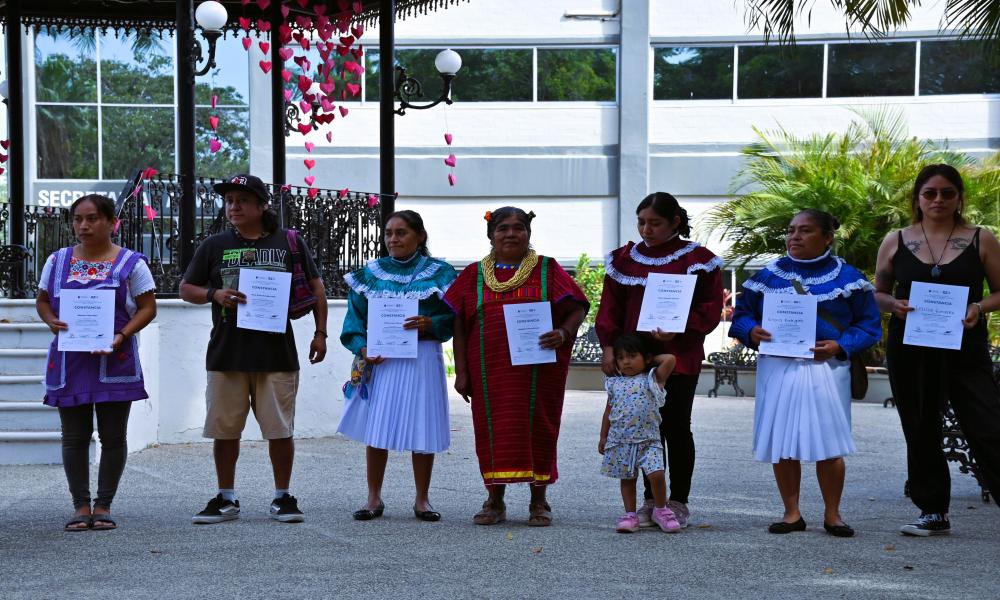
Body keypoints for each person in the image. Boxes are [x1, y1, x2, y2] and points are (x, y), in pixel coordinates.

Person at [179, 174, 328, 525]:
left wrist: (320, 334)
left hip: (276, 352)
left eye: (242, 200)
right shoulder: (214, 245)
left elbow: (317, 289)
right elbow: (186, 287)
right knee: (224, 429)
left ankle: (283, 496)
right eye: (229, 200)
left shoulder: (289, 242)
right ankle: (226, 497)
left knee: (280, 429)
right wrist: (212, 294)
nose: (234, 207)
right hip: (227, 351)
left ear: (262, 205)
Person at [730, 209, 881, 537]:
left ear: (827, 237)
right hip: (778, 365)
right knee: (782, 439)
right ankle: (791, 513)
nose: (794, 236)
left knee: (829, 441)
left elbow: (869, 325)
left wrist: (840, 345)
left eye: (805, 230)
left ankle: (833, 515)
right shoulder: (768, 275)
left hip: (827, 366)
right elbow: (741, 315)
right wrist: (750, 330)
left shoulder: (848, 277)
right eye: (791, 230)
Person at [874, 164, 1000, 536]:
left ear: (960, 197)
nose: (939, 199)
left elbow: (999, 291)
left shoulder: (981, 239)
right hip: (910, 346)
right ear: (918, 198)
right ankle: (933, 511)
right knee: (920, 426)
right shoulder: (896, 240)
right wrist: (893, 305)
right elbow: (879, 291)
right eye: (930, 193)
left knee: (988, 423)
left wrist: (978, 308)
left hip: (964, 343)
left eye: (947, 192)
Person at [445, 207, 589, 526]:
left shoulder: (547, 269)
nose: (511, 234)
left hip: (538, 373)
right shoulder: (473, 274)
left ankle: (539, 501)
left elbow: (577, 306)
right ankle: (494, 501)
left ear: (528, 233)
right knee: (493, 431)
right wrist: (463, 372)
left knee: (540, 428)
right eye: (503, 228)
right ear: (491, 235)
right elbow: (458, 321)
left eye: (518, 227)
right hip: (489, 374)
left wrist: (564, 332)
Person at [596, 192, 723, 528]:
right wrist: (609, 348)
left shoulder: (699, 259)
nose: (646, 229)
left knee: (676, 427)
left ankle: (677, 500)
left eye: (654, 223)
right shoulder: (625, 259)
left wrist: (680, 327)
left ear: (675, 223)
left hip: (677, 356)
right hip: (633, 358)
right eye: (641, 222)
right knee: (639, 429)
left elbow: (709, 308)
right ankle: (651, 501)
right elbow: (609, 308)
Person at [36, 194, 157, 531]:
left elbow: (148, 307)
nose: (83, 226)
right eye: (77, 219)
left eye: (91, 218)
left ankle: (103, 505)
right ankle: (80, 505)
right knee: (74, 436)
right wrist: (51, 321)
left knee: (113, 435)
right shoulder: (57, 261)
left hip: (114, 359)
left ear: (110, 222)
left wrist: (122, 335)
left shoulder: (131, 263)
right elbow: (43, 301)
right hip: (70, 362)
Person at [339, 210, 457, 522]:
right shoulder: (371, 273)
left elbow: (456, 317)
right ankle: (373, 498)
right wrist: (362, 346)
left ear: (420, 236)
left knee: (423, 423)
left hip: (423, 356)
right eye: (389, 233)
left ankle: (422, 499)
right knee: (377, 427)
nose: (393, 239)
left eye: (401, 232)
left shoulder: (440, 273)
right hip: (384, 360)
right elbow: (354, 320)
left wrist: (430, 322)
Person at [598, 334, 678, 533]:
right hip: (621, 441)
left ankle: (661, 510)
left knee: (657, 474)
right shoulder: (614, 383)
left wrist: (651, 360)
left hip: (649, 441)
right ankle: (630, 515)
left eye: (632, 356)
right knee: (627, 479)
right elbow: (609, 411)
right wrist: (603, 436)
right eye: (621, 358)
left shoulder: (652, 380)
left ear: (646, 358)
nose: (626, 361)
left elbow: (670, 359)